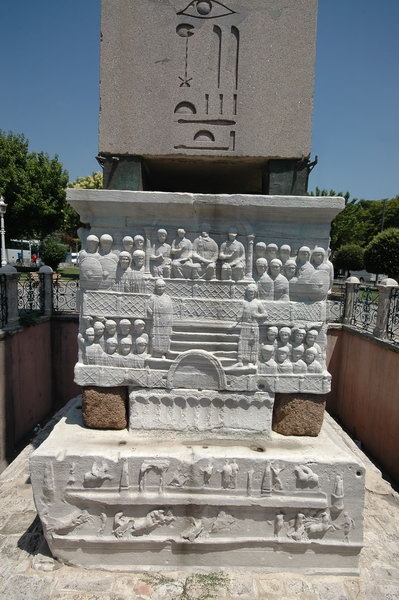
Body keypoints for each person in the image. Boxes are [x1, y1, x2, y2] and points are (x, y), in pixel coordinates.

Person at [236, 283, 267, 367]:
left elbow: (265, 314)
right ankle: (240, 360)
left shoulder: (258, 303)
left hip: (253, 325)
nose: (250, 294)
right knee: (242, 342)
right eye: (249, 292)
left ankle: (251, 361)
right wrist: (235, 322)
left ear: (255, 293)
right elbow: (240, 314)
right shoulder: (244, 303)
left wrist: (257, 315)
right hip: (245, 325)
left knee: (252, 343)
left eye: (252, 292)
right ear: (246, 292)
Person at [147, 279, 174, 358]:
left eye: (162, 286)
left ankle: (164, 352)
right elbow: (148, 307)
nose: (161, 288)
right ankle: (156, 353)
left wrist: (170, 323)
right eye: (159, 287)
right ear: (156, 287)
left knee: (165, 337)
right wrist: (153, 314)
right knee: (155, 337)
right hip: (157, 321)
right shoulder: (153, 298)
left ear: (165, 287)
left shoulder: (168, 298)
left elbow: (171, 311)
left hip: (166, 322)